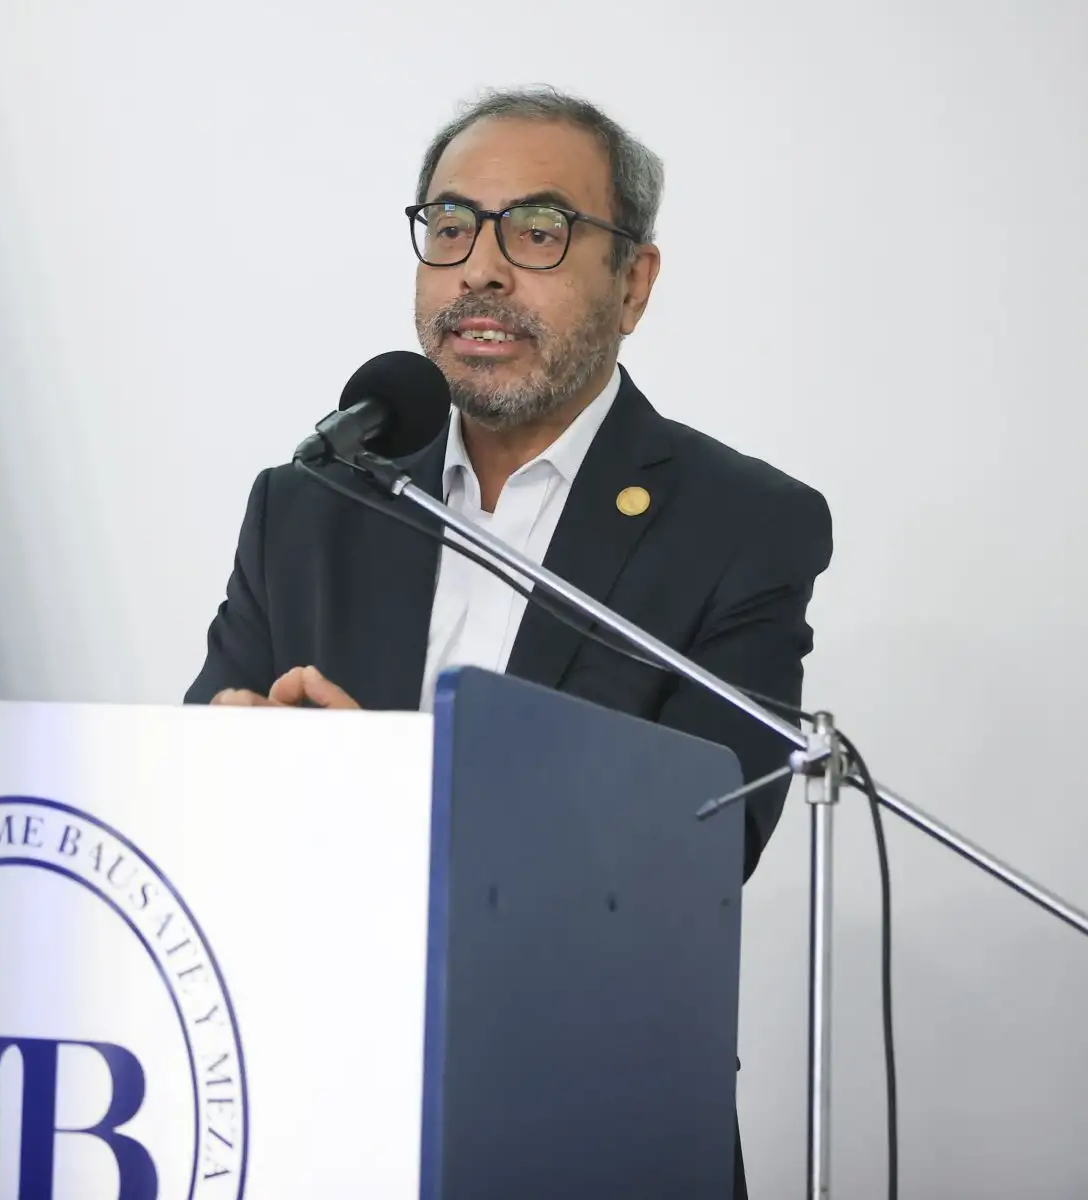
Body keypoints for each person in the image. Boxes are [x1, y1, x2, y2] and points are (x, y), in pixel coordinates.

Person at [184, 86, 833, 1198]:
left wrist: (393, 801)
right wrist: (233, 764)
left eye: (536, 230)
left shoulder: (741, 526)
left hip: (586, 1121)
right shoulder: (313, 502)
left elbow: (696, 860)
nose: (480, 268)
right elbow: (199, 798)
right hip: (309, 1105)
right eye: (449, 227)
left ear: (633, 284)